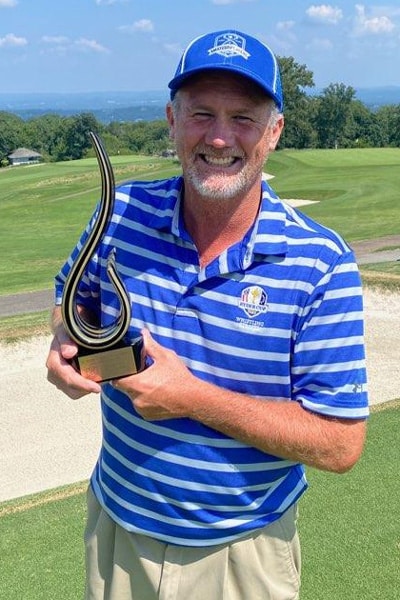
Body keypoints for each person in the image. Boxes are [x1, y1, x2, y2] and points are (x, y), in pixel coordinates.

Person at [46, 29, 369, 600]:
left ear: (274, 132)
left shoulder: (320, 263)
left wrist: (191, 398)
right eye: (201, 113)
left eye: (243, 117)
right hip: (118, 531)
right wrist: (66, 345)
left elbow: (340, 443)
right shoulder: (120, 213)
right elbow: (73, 300)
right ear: (172, 120)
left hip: (241, 555)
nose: (219, 138)